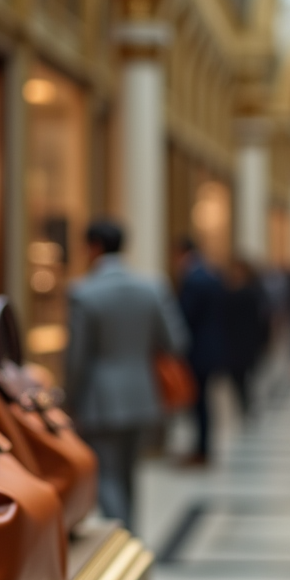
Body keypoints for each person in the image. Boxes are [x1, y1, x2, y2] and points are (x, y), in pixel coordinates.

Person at [65, 220, 188, 529]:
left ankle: (122, 542)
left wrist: (70, 398)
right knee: (130, 474)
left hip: (100, 398)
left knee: (107, 475)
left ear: (93, 248)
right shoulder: (152, 288)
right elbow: (176, 341)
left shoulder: (83, 292)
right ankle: (132, 538)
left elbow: (76, 358)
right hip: (143, 394)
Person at [174, 237, 226, 465]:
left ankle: (202, 449)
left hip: (198, 350)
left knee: (199, 403)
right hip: (212, 347)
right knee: (203, 401)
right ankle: (203, 446)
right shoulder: (212, 275)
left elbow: (186, 316)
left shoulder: (193, 280)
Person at [221, 258, 269, 417]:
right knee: (236, 376)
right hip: (232, 340)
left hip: (249, 340)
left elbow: (262, 318)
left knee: (248, 374)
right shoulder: (227, 290)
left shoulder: (253, 291)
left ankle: (247, 402)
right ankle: (243, 402)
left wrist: (263, 340)